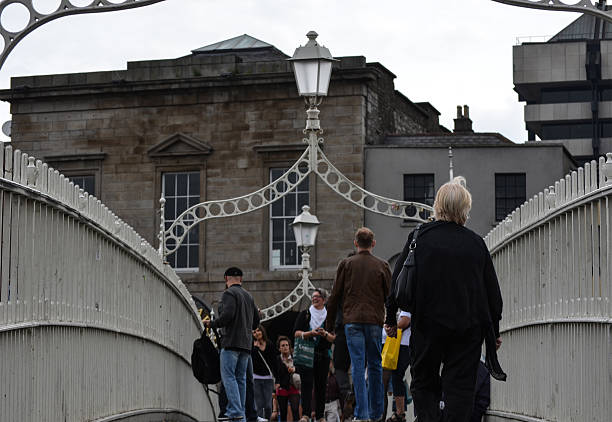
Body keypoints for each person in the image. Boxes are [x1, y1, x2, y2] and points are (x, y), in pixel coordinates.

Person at [385, 176, 503, 422]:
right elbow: (492, 293)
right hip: (466, 328)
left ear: (437, 205)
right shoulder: (475, 243)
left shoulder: (419, 238)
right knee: (460, 387)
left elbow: (398, 281)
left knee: (424, 381)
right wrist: (495, 330)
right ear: (465, 208)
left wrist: (389, 318)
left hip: (428, 325)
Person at [326, 227, 392, 422]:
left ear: (355, 243)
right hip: (374, 320)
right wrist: (391, 322)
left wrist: (330, 324)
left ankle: (361, 413)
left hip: (352, 320)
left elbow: (335, 296)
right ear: (373, 244)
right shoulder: (382, 265)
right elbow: (390, 297)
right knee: (375, 365)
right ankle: (377, 413)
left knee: (356, 365)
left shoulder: (346, 264)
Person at [206, 267, 260, 422]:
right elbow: (256, 321)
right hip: (245, 345)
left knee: (228, 377)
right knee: (241, 379)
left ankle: (235, 411)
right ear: (241, 279)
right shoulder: (249, 296)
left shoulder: (229, 294)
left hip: (230, 343)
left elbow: (227, 315)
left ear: (226, 278)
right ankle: (240, 411)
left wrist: (213, 323)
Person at [294, 288, 336, 422]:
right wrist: (310, 334)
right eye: (313, 296)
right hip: (307, 354)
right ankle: (305, 414)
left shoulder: (330, 317)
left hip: (323, 355)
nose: (314, 298)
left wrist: (324, 334)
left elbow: (334, 338)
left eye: (317, 296)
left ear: (324, 299)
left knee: (321, 386)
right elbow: (296, 333)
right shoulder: (305, 314)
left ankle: (320, 415)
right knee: (306, 384)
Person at [381, 311, 412, 422]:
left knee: (397, 375)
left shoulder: (406, 304)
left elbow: (405, 321)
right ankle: (400, 412)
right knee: (397, 376)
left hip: (405, 344)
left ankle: (400, 412)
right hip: (403, 343)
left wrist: (391, 327)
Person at [252, 325, 278, 421]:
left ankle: (267, 419)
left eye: (258, 331)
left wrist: (277, 379)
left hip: (268, 378)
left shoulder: (270, 344)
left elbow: (274, 363)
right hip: (256, 378)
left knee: (267, 405)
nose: (257, 333)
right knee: (258, 404)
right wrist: (255, 349)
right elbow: (252, 362)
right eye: (254, 332)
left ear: (262, 331)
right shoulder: (252, 346)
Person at [274, 336, 301, 422]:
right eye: (282, 345)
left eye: (286, 345)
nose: (285, 347)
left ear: (289, 346)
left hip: (294, 386)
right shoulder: (277, 359)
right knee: (283, 412)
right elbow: (275, 373)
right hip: (282, 387)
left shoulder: (295, 357)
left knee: (295, 410)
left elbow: (301, 369)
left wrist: (294, 369)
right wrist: (277, 383)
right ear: (279, 348)